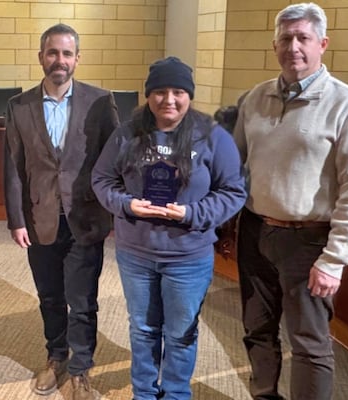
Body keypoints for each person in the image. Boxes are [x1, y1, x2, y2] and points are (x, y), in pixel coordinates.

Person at [233, 3, 348, 399]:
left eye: (303, 38)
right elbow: (232, 164)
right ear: (274, 45)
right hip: (255, 232)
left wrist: (335, 259)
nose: (293, 47)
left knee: (309, 344)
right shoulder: (255, 99)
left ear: (322, 44)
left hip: (310, 243)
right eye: (285, 38)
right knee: (257, 331)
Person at [91, 56, 246, 400]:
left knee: (180, 333)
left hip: (188, 257)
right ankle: (144, 394)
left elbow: (234, 192)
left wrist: (192, 213)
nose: (169, 100)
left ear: (189, 94)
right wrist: (125, 204)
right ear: (149, 95)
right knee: (143, 329)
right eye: (160, 91)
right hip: (136, 254)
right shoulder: (128, 133)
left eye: (178, 91)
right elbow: (101, 179)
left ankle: (176, 394)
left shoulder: (212, 136)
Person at [3, 23, 119, 400]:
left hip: (85, 219)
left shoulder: (101, 102)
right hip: (40, 220)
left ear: (77, 59)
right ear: (41, 57)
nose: (60, 60)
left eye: (67, 54)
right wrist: (16, 219)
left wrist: (114, 212)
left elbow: (114, 161)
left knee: (83, 300)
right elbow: (14, 168)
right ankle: (56, 358)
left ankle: (81, 369)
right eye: (52, 53)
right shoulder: (19, 106)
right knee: (50, 295)